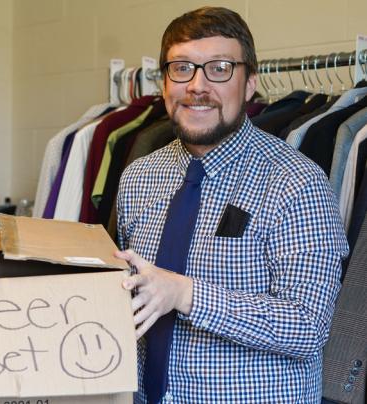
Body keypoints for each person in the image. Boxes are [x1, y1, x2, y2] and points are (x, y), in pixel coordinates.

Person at [114, 7, 348, 403]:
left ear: (250, 82)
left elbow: (309, 326)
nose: (197, 86)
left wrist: (185, 294)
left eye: (220, 68)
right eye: (182, 68)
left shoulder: (296, 182)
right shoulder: (138, 177)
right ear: (165, 82)